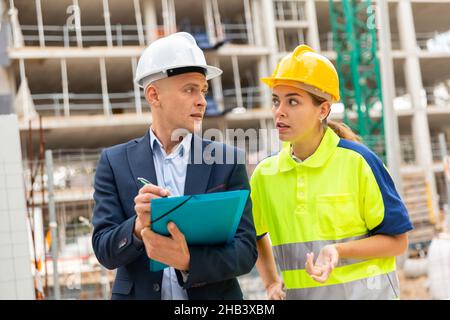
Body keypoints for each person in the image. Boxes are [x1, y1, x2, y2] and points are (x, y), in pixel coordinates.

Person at [92, 32, 257, 300]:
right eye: (190, 89)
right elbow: (104, 250)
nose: (202, 100)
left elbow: (246, 251)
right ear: (154, 95)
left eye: (203, 90)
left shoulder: (227, 160)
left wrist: (188, 260)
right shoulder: (114, 162)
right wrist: (137, 226)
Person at [251, 44, 413, 300]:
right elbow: (255, 234)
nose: (279, 111)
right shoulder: (264, 175)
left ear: (323, 110)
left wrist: (339, 250)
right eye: (276, 100)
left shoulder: (359, 162)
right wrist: (271, 282)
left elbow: (398, 241)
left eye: (292, 101)